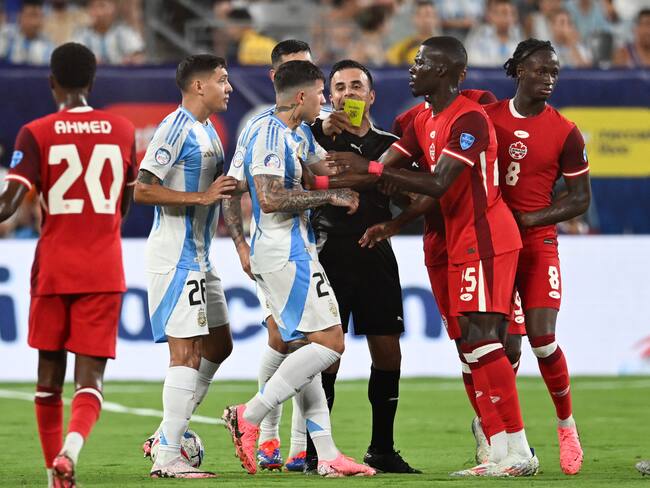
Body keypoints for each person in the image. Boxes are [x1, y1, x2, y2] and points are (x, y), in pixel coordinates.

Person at [328, 36, 538, 477]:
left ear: (442, 70)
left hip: (486, 237)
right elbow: (386, 163)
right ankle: (497, 449)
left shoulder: (470, 119)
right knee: (470, 345)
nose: (412, 68)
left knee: (485, 340)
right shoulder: (423, 118)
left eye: (420, 62)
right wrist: (345, 178)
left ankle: (519, 449)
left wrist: (370, 169)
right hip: (453, 243)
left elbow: (438, 182)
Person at [221, 59, 374, 478]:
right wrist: (329, 197)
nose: (325, 101)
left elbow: (326, 169)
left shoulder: (297, 131)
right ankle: (250, 415)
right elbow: (270, 198)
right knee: (330, 343)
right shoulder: (270, 135)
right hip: (285, 253)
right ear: (302, 96)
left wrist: (371, 162)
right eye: (322, 93)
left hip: (287, 250)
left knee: (305, 349)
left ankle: (326, 454)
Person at [0, 42, 137, 488]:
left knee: (48, 378)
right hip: (103, 267)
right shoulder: (122, 129)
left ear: (51, 82)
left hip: (54, 267)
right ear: (93, 82)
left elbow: (7, 205)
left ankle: (51, 475)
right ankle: (70, 452)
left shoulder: (35, 132)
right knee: (90, 379)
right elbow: (124, 205)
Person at [305, 59, 419, 474]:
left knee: (388, 352)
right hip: (328, 252)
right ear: (329, 97)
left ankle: (382, 449)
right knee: (326, 356)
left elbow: (413, 197)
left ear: (371, 96)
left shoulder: (392, 145)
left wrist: (394, 185)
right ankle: (318, 452)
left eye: (356, 86)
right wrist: (371, 174)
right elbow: (299, 182)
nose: (347, 93)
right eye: (339, 87)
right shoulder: (312, 137)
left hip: (376, 253)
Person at [485, 38, 591, 475]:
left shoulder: (566, 131)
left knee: (543, 339)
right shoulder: (488, 117)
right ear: (517, 70)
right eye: (540, 70)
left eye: (554, 72)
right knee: (500, 347)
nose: (548, 79)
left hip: (538, 244)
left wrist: (530, 218)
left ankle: (567, 427)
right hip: (495, 245)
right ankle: (505, 438)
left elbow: (580, 198)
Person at [223, 39, 326, 473]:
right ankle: (266, 433)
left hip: (309, 243)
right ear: (279, 78)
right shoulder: (260, 128)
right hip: (275, 247)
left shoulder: (309, 126)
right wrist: (240, 244)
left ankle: (301, 447)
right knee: (285, 340)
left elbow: (325, 170)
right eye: (296, 69)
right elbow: (233, 188)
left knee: (306, 341)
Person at [134, 54, 237, 479]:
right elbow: (142, 190)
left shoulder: (208, 129)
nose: (229, 87)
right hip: (175, 256)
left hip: (200, 256)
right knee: (186, 353)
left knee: (219, 345)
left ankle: (166, 434)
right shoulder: (175, 128)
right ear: (198, 86)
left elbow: (218, 190)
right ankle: (168, 456)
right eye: (222, 80)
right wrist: (201, 197)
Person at [73, 0, 144, 65]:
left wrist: (131, 60)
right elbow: (74, 56)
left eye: (102, 6)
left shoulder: (124, 31)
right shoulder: (82, 33)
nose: (98, 12)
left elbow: (138, 55)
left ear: (114, 8)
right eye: (93, 7)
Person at [465, 0, 522, 67]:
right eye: (504, 13)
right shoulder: (480, 33)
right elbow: (472, 60)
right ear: (492, 16)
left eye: (512, 14)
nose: (509, 17)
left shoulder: (518, 34)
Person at [387, 0, 441, 66]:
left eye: (432, 16)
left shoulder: (444, 47)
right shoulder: (406, 45)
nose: (428, 20)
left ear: (437, 20)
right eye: (424, 16)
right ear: (414, 18)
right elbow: (390, 60)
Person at [0, 0, 53, 65]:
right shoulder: (6, 35)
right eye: (32, 15)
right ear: (20, 16)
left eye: (40, 16)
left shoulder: (48, 45)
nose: (35, 22)